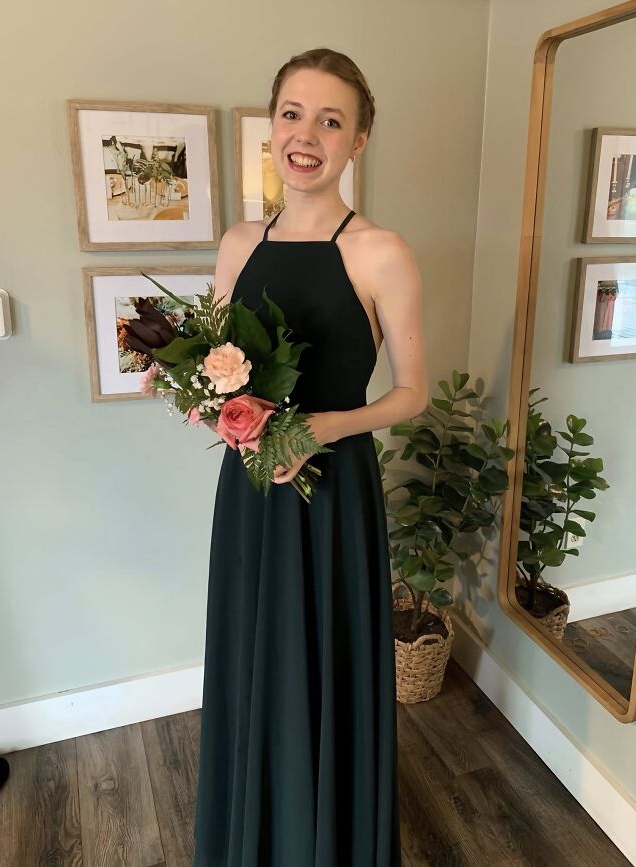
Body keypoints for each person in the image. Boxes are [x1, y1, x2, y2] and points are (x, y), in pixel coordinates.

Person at [193, 46, 428, 866]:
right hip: (250, 491)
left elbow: (412, 394)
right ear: (272, 126)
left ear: (357, 140)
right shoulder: (235, 244)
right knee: (251, 660)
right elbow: (217, 364)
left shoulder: (380, 250)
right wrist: (206, 403)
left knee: (322, 669)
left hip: (331, 497)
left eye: (332, 120)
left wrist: (318, 429)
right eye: (292, 113)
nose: (307, 134)